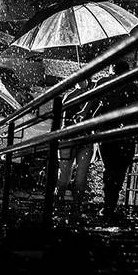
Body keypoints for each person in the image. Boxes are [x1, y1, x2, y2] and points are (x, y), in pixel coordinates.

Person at [80, 60, 138, 220]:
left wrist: (85, 114)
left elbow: (92, 99)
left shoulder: (105, 83)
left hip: (108, 133)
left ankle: (108, 205)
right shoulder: (134, 88)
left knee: (109, 168)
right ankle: (112, 203)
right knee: (120, 169)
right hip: (127, 135)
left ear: (112, 70)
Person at [55, 77, 95, 213]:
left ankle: (75, 206)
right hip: (69, 138)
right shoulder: (69, 95)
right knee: (64, 176)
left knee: (80, 176)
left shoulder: (93, 94)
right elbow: (63, 110)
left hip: (84, 138)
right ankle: (59, 203)